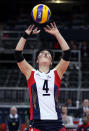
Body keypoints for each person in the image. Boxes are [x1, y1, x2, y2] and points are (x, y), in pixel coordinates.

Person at [14, 22, 71, 131]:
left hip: (56, 122)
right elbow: (17, 53)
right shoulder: (31, 73)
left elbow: (67, 53)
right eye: (41, 53)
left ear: (51, 62)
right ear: (37, 60)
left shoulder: (56, 73)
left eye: (48, 54)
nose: (45, 54)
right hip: (37, 122)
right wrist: (25, 35)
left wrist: (57, 34)